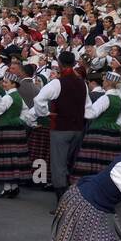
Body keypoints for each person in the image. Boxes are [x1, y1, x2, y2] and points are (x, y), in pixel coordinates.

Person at [34, 51, 88, 211]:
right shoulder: (82, 83)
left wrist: (45, 113)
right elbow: (88, 107)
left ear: (59, 63)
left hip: (61, 128)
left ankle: (62, 204)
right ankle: (70, 200)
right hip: (78, 128)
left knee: (58, 165)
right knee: (70, 164)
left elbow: (39, 99)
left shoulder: (58, 83)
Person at [0, 71, 34, 198]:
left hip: (6, 130)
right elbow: (26, 112)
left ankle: (7, 188)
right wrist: (19, 120)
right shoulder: (18, 97)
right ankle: (13, 187)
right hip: (17, 131)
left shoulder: (8, 97)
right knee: (14, 159)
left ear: (13, 84)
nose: (3, 84)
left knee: (6, 159)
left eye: (5, 82)